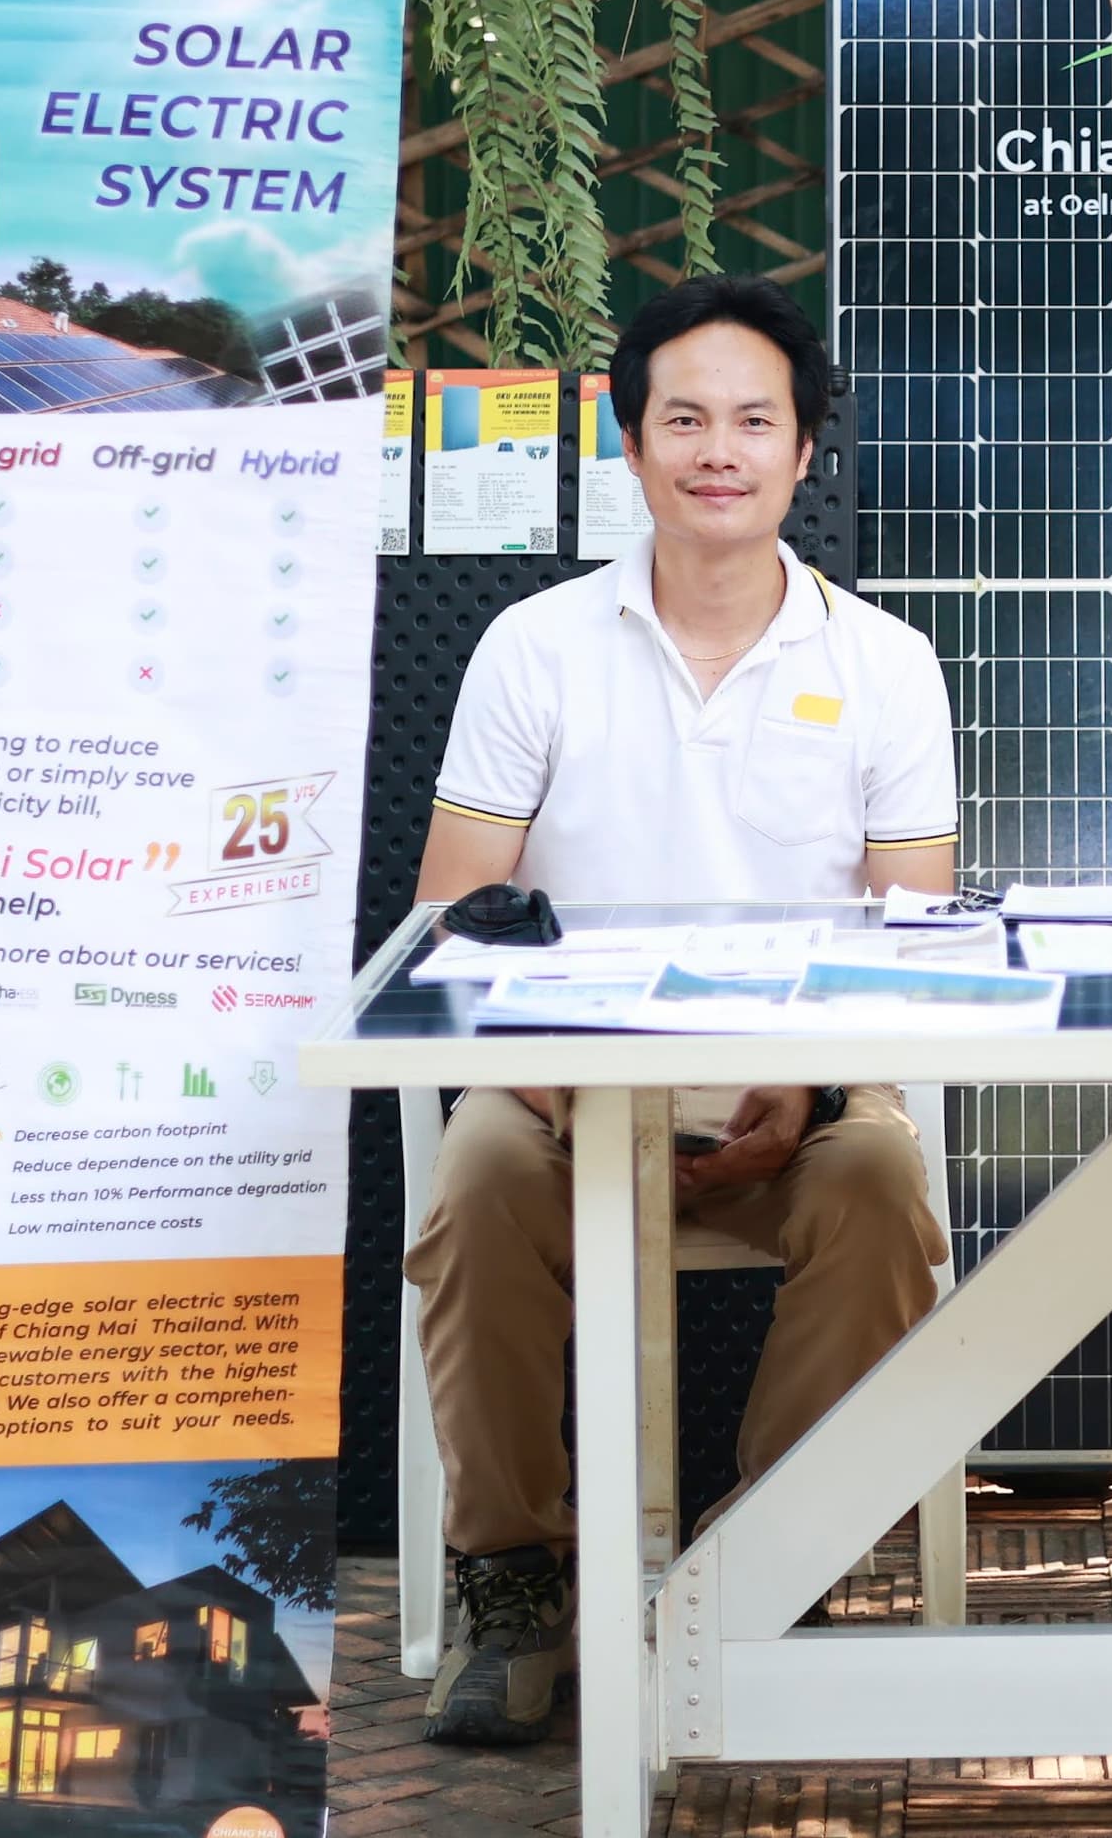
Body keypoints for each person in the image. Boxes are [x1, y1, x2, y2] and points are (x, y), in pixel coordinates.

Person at [401, 274, 958, 1746]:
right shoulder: (535, 646)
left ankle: (761, 1565)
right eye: (685, 419)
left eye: (754, 421)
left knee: (887, 1180)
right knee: (473, 1182)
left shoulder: (888, 665)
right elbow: (455, 911)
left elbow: (913, 933)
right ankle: (514, 1577)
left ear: (805, 449)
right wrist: (556, 1081)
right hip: (563, 1093)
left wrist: (814, 1084)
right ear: (632, 446)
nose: (719, 449)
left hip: (809, 1084)